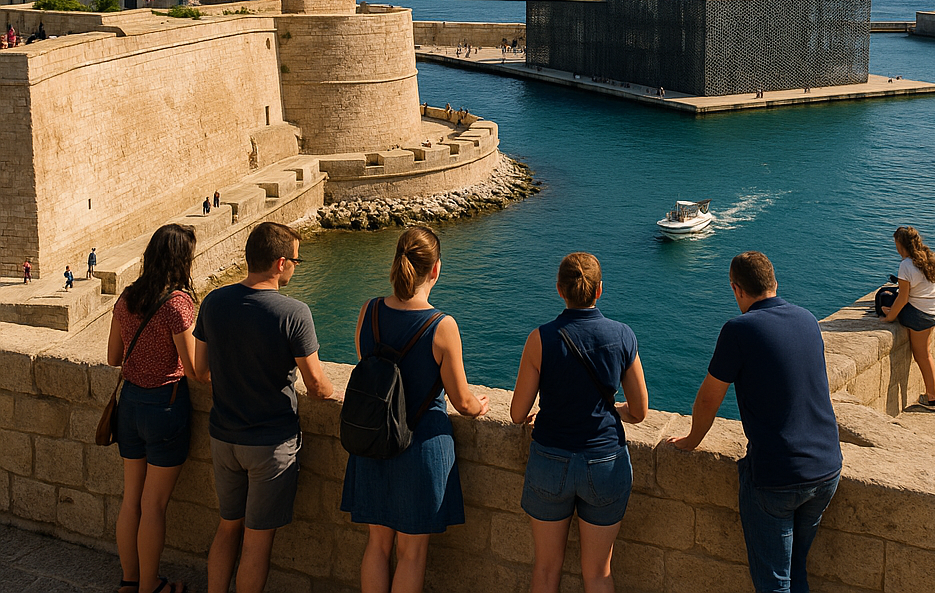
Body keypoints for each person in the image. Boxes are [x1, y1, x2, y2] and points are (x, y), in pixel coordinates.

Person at [669, 252, 841, 593]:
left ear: (736, 289)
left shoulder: (739, 329)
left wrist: (691, 440)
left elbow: (708, 398)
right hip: (826, 468)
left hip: (778, 475)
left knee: (773, 582)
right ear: (774, 283)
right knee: (796, 573)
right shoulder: (807, 319)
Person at [341, 226, 489, 593]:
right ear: (435, 270)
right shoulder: (442, 326)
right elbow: (462, 401)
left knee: (377, 545)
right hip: (420, 447)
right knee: (411, 554)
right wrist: (479, 406)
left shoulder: (369, 310)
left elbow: (372, 372)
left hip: (373, 442)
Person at [195, 222, 334, 593]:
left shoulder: (213, 301)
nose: (295, 268)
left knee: (227, 527)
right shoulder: (293, 313)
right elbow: (317, 385)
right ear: (281, 262)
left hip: (224, 438)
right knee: (257, 541)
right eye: (296, 261)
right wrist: (333, 390)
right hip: (270, 445)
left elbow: (200, 369)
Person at [510, 252, 649, 593]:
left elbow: (516, 414)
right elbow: (640, 410)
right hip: (605, 462)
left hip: (549, 460)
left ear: (560, 290)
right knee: (598, 572)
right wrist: (612, 409)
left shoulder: (540, 339)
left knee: (545, 569)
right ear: (599, 290)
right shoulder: (623, 336)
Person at [106, 223, 202, 593]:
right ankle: (152, 587)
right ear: (181, 259)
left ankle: (129, 582)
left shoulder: (127, 298)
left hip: (129, 404)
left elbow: (114, 357)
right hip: (165, 405)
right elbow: (193, 369)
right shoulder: (178, 304)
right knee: (154, 504)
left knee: (131, 499)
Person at [883, 226, 935, 410]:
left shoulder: (906, 265)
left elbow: (902, 298)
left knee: (922, 356)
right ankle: (932, 395)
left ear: (900, 245)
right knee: (927, 353)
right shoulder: (927, 258)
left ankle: (933, 398)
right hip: (934, 310)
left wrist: (889, 318)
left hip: (921, 315)